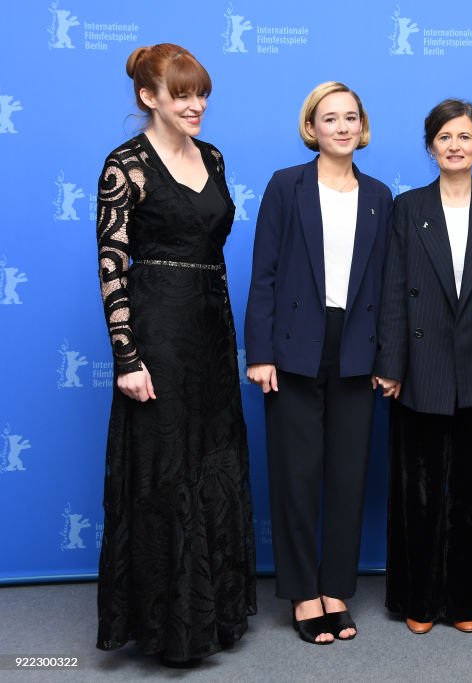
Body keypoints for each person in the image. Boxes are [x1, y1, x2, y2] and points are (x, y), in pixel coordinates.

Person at [95, 43, 256, 665]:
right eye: (182, 94)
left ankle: (212, 615)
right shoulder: (125, 165)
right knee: (165, 471)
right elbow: (111, 266)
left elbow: (212, 251)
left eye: (201, 93)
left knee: (212, 461)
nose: (196, 105)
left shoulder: (212, 157)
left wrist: (229, 336)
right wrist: (127, 358)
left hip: (212, 331)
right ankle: (166, 627)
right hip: (156, 332)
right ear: (149, 97)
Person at [244, 82, 392, 645]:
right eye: (330, 118)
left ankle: (336, 589)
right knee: (296, 474)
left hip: (357, 346)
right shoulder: (286, 186)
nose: (342, 126)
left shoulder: (380, 196)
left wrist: (387, 358)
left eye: (351, 116)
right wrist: (260, 353)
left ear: (362, 126)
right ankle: (304, 594)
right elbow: (264, 274)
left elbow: (386, 284)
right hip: (293, 347)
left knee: (349, 476)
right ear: (312, 127)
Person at [375, 99, 472, 635]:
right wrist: (390, 364)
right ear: (431, 146)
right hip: (421, 366)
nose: (455, 145)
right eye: (445, 136)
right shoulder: (407, 207)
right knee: (418, 491)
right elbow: (393, 289)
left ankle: (464, 600)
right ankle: (419, 599)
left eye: (465, 136)